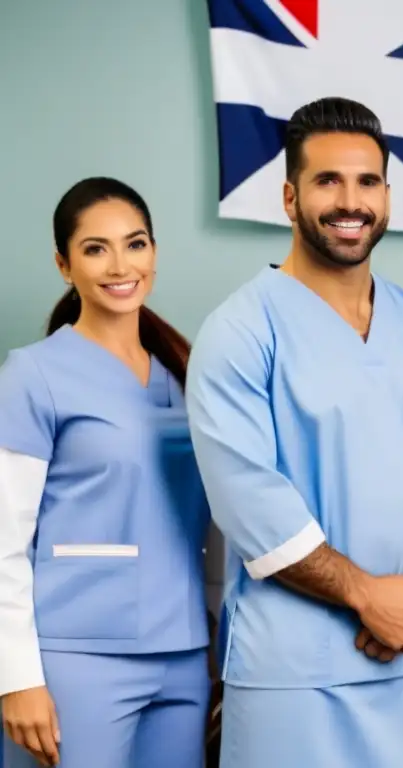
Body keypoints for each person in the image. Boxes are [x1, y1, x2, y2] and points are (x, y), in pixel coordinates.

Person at [184, 97, 403, 768]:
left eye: (367, 182)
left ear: (387, 197)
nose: (351, 201)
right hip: (295, 672)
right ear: (290, 196)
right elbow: (249, 500)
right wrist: (367, 595)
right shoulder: (242, 331)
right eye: (328, 181)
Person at [0, 177, 211, 768]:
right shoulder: (33, 376)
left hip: (184, 656)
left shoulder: (185, 375)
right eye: (96, 248)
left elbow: (210, 524)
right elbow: (2, 543)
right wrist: (15, 677)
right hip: (77, 659)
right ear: (64, 265)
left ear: (154, 253)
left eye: (135, 243)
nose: (121, 265)